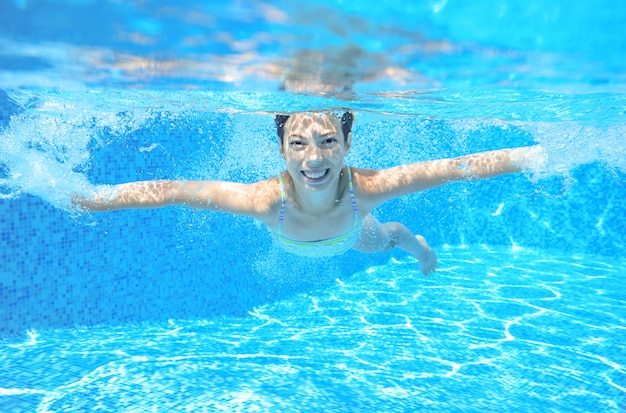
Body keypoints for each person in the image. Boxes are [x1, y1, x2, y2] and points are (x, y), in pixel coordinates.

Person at [74, 111, 544, 275]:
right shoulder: (265, 201)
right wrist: (94, 196)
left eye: (327, 142)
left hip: (354, 234)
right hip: (287, 237)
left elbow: (456, 168)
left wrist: (540, 156)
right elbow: (175, 190)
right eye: (298, 144)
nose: (313, 159)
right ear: (281, 150)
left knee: (391, 236)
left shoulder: (369, 188)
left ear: (346, 146)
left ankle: (419, 248)